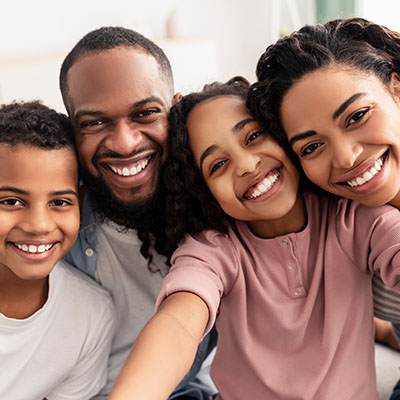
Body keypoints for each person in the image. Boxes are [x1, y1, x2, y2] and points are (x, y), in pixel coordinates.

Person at [108, 78, 400, 399]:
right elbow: (178, 323)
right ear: (203, 191)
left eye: (253, 137)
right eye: (218, 164)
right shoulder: (214, 247)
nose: (247, 165)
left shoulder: (353, 218)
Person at [59, 27, 217, 399]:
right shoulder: (46, 229)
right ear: (71, 132)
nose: (125, 143)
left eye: (145, 113)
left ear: (175, 111)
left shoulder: (218, 211)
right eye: (94, 123)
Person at [246, 18, 400, 398]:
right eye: (312, 146)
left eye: (357, 116)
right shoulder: (347, 220)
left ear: (396, 90)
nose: (346, 158)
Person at [0, 101, 115, 400]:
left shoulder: (91, 314)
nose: (39, 225)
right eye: (11, 201)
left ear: (80, 200)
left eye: (60, 202)